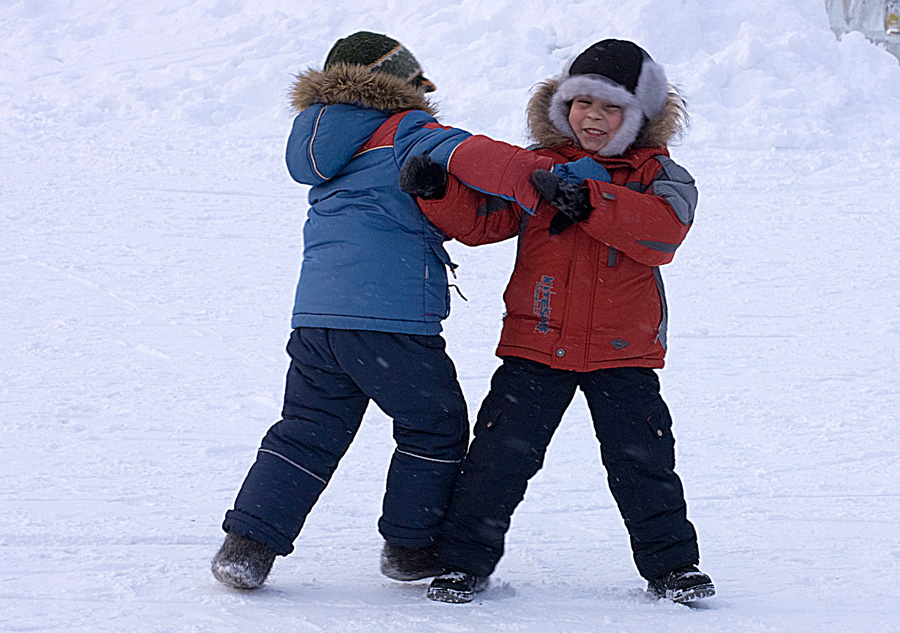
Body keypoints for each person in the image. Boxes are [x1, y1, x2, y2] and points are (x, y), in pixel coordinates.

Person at [398, 39, 715, 604]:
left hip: (623, 350)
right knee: (497, 460)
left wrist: (589, 200)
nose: (592, 118)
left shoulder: (662, 175)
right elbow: (483, 222)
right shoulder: (542, 170)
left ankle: (673, 567)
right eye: (581, 104)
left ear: (639, 114)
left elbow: (663, 233)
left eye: (610, 107)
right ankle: (463, 563)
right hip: (536, 341)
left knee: (643, 463)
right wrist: (440, 193)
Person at [211, 31, 477, 590]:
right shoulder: (411, 132)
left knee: (307, 429)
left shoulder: (319, 140)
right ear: (400, 85)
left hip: (317, 317)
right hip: (390, 319)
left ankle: (247, 547)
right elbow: (476, 174)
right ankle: (410, 547)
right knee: (435, 426)